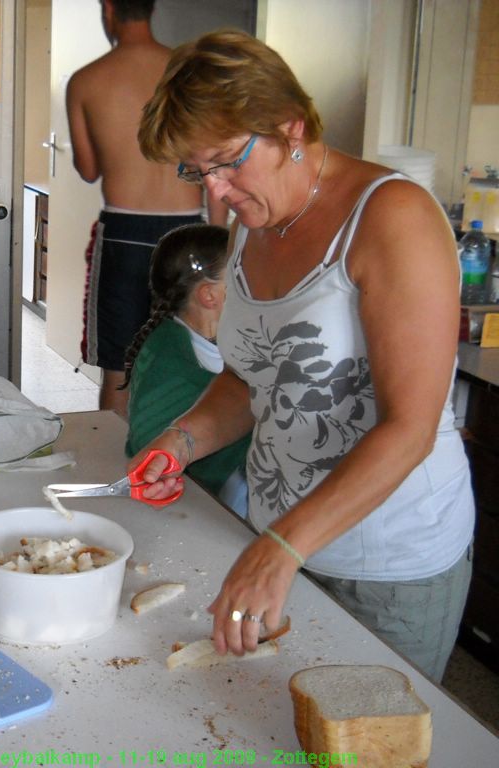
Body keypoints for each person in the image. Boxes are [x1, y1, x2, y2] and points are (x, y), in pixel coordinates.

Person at [131, 30, 474, 683]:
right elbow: (250, 378)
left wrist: (282, 546)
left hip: (385, 564)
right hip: (284, 542)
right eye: (199, 172)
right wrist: (179, 442)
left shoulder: (391, 218)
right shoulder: (253, 224)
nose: (217, 194)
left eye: (228, 162)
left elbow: (411, 429)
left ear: (290, 129)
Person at [66, 0, 228, 418]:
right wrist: (221, 242)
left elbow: (87, 169)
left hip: (124, 233)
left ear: (108, 10)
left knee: (120, 368)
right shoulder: (189, 73)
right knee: (195, 358)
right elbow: (218, 166)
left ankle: (116, 471)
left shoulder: (86, 81)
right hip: (190, 235)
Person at [122, 223, 249, 517]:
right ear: (209, 295)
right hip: (202, 497)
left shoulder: (173, 335)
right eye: (241, 276)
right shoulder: (186, 360)